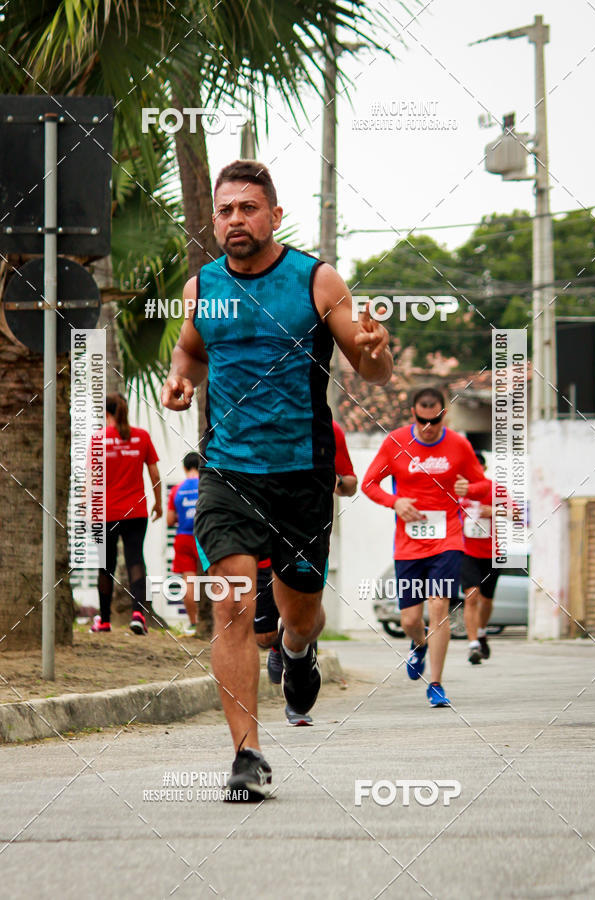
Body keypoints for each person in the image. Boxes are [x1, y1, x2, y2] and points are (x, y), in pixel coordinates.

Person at [161, 159, 392, 801]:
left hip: (303, 470)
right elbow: (192, 349)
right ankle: (246, 754)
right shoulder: (201, 285)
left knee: (300, 611)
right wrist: (182, 377)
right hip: (228, 469)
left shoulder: (316, 280)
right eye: (225, 210)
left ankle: (295, 652)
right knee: (232, 603)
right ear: (214, 221)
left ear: (273, 215)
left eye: (248, 208)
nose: (236, 219)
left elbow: (370, 366)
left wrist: (377, 350)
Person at [362, 387, 485, 707]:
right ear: (413, 413)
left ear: (444, 414)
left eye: (434, 419)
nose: (428, 426)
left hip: (448, 539)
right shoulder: (396, 442)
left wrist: (468, 486)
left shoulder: (459, 444)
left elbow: (483, 484)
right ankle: (418, 645)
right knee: (410, 621)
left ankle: (436, 684)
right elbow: (368, 483)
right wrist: (395, 502)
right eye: (421, 419)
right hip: (409, 544)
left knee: (440, 607)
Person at [255, 420, 358, 726]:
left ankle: (297, 692)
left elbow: (351, 483)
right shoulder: (252, 422)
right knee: (263, 635)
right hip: (264, 534)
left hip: (309, 535)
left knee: (301, 620)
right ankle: (278, 644)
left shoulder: (328, 427)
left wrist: (337, 483)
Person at [91, 393, 162, 635]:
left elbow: (92, 480)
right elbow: (154, 474)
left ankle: (104, 621)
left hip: (105, 513)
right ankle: (138, 615)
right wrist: (159, 503)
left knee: (105, 566)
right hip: (136, 511)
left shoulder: (98, 439)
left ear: (106, 413)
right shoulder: (141, 436)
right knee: (135, 559)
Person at [455, 451, 499, 664]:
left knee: (487, 600)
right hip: (466, 552)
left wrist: (495, 511)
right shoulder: (457, 492)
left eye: (477, 467)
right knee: (471, 595)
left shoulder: (494, 488)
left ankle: (481, 632)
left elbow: (520, 514)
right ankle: (473, 645)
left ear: (483, 469)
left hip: (492, 553)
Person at [167, 452, 200, 635]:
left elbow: (170, 521)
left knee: (189, 582)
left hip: (184, 538)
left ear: (185, 468)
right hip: (205, 538)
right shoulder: (206, 486)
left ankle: (194, 623)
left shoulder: (176, 490)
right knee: (216, 579)